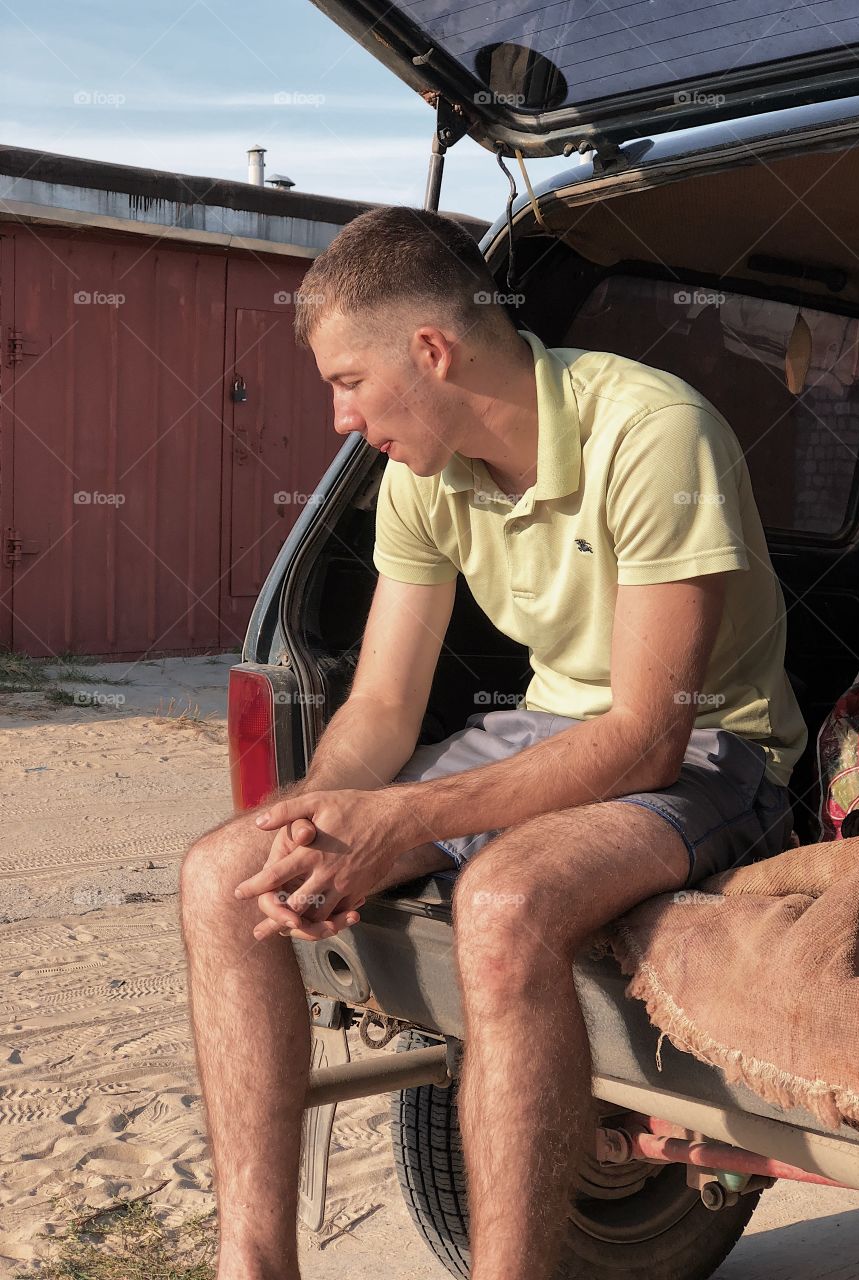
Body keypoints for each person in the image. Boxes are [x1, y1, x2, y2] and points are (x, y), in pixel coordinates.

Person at [178, 205, 808, 1280]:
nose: (337, 417)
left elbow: (649, 737)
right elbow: (379, 706)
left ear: (431, 351)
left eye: (348, 381)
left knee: (506, 902)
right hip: (542, 724)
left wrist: (403, 819)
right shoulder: (422, 478)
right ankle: (252, 1261)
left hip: (711, 744)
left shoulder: (655, 432)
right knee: (218, 872)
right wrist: (314, 814)